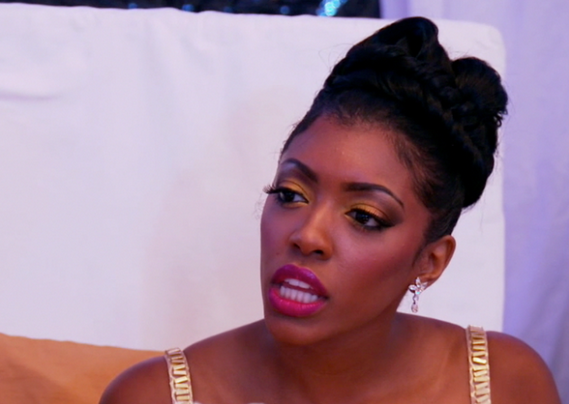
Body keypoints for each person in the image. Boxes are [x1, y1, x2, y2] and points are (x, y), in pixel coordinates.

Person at [100, 17, 561, 404]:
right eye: (290, 194)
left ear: (431, 260)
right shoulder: (155, 396)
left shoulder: (503, 383)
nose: (307, 235)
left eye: (364, 217)